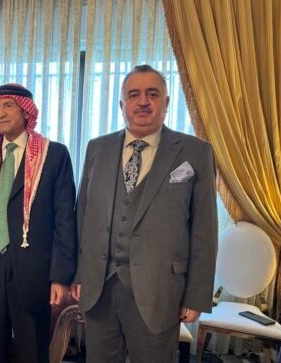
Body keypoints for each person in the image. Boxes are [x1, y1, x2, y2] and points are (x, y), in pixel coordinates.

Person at [72, 64, 218, 362]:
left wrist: (196, 295)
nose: (142, 101)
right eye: (133, 94)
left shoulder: (195, 152)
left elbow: (205, 232)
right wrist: (78, 273)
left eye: (152, 94)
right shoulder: (97, 148)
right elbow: (82, 216)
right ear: (121, 105)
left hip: (160, 291)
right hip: (100, 288)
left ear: (166, 102)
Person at [0, 83, 78, 363]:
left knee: (32, 350)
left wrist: (61, 275)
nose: (0, 113)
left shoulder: (53, 155)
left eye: (8, 106)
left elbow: (65, 218)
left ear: (26, 112)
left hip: (34, 270)